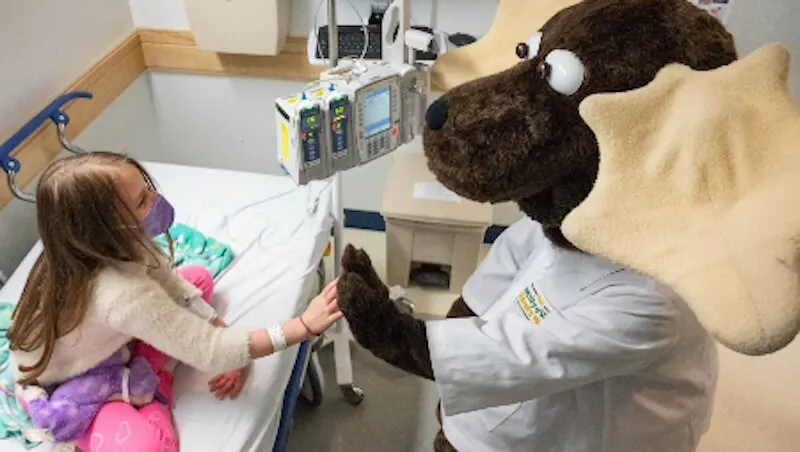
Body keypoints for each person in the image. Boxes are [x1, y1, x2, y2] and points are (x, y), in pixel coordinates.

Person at [7, 151, 342, 452]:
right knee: (150, 446)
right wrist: (301, 327)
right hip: (69, 379)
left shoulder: (96, 247)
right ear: (104, 229)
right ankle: (153, 386)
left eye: (148, 189)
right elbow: (210, 350)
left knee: (196, 279)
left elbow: (175, 285)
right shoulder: (121, 295)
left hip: (98, 336)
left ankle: (142, 361)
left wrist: (223, 334)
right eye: (141, 201)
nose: (156, 200)